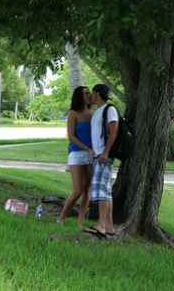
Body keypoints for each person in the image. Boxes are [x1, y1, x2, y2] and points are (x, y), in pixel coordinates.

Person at [57, 86, 94, 227]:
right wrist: (87, 148)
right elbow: (71, 136)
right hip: (78, 154)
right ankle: (61, 217)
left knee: (87, 189)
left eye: (89, 93)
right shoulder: (73, 113)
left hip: (91, 155)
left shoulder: (93, 113)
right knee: (78, 190)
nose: (88, 95)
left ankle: (80, 222)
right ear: (79, 96)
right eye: (85, 93)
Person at [84, 84, 118, 238]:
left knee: (102, 192)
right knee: (107, 192)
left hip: (105, 156)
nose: (90, 95)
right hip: (99, 156)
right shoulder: (98, 112)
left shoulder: (109, 109)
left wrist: (105, 151)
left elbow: (114, 130)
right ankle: (110, 227)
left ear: (97, 94)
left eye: (92, 93)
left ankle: (101, 225)